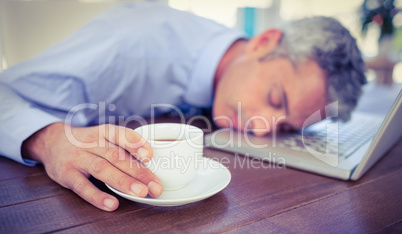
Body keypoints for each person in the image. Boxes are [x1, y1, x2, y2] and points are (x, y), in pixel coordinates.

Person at [0, 2, 366, 211]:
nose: (260, 130)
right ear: (264, 42)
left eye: (285, 127)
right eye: (275, 99)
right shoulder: (133, 40)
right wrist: (49, 140)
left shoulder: (229, 80)